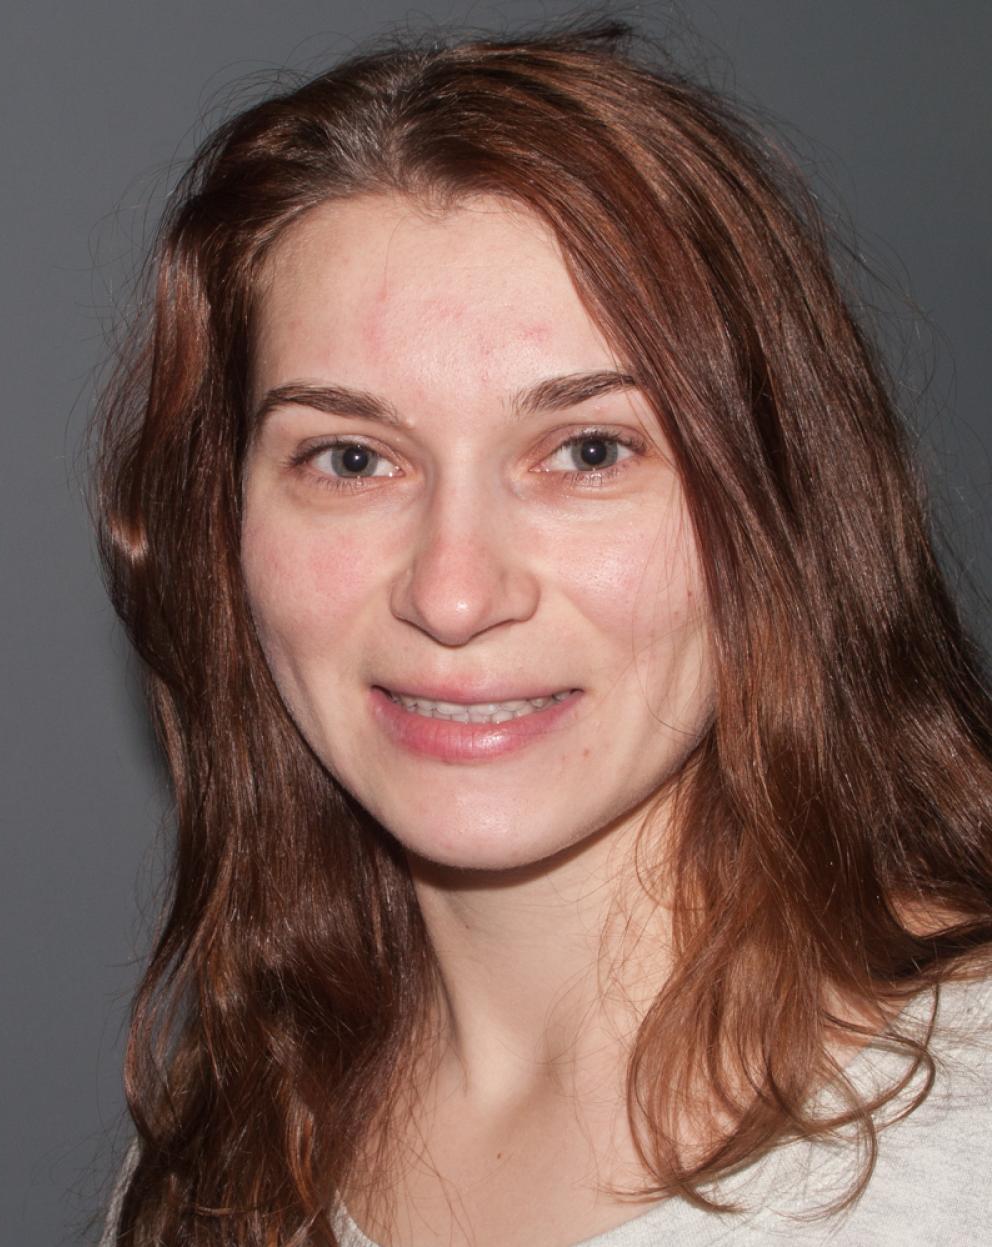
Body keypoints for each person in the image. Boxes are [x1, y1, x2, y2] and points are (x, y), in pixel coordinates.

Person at [95, 21, 992, 1247]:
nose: (454, 593)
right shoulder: (222, 1143)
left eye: (588, 450)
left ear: (784, 503)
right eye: (350, 457)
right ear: (225, 529)